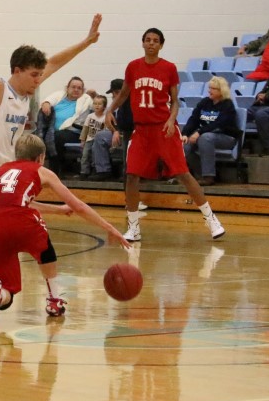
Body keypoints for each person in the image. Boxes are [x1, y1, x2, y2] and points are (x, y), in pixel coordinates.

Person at [0, 9, 102, 306]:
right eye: (34, 74)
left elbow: (55, 62)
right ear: (17, 71)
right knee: (1, 231)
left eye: (40, 75)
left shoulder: (26, 92)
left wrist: (86, 42)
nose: (39, 79)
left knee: (3, 232)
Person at [0, 133, 130, 329]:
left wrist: (58, 210)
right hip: (19, 221)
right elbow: (79, 206)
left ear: (17, 154)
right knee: (45, 249)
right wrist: (110, 228)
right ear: (41, 157)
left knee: (8, 293)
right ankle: (54, 300)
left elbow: (18, 202)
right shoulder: (42, 171)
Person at [106, 27, 225, 243]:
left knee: (183, 174)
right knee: (131, 175)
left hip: (164, 128)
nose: (151, 43)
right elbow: (124, 93)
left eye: (155, 40)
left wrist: (171, 119)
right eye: (148, 39)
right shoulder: (133, 67)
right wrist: (109, 110)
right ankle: (133, 227)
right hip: (141, 131)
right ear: (143, 43)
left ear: (161, 45)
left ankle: (211, 219)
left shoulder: (169, 68)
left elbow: (175, 101)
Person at [181, 76, 238, 185]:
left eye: (213, 88)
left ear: (221, 91)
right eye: (209, 88)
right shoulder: (205, 102)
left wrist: (199, 132)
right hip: (204, 135)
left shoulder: (227, 105)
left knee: (205, 138)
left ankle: (209, 177)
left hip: (226, 137)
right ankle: (199, 173)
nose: (209, 91)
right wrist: (185, 134)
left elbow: (219, 124)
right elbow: (193, 119)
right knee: (186, 144)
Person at [35, 75, 92, 174]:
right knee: (34, 138)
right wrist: (46, 103)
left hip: (74, 132)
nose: (76, 90)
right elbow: (48, 101)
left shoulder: (86, 101)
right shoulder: (59, 97)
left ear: (83, 91)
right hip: (52, 130)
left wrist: (94, 95)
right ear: (67, 88)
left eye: (79, 88)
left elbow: (97, 105)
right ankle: (33, 169)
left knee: (56, 137)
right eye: (73, 87)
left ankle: (55, 171)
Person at [87, 79, 131, 182]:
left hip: (130, 132)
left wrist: (117, 131)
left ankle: (128, 173)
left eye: (114, 93)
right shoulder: (116, 105)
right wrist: (115, 131)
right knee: (100, 136)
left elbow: (129, 124)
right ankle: (103, 171)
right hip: (119, 131)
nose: (113, 96)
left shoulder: (131, 103)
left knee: (128, 139)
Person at [78, 95, 108, 178]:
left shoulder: (106, 117)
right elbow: (85, 129)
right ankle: (84, 172)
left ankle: (95, 170)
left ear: (104, 106)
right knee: (85, 155)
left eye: (99, 104)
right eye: (95, 103)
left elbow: (106, 131)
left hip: (98, 141)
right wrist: (82, 140)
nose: (97, 105)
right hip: (89, 139)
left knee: (96, 155)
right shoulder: (90, 116)